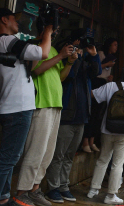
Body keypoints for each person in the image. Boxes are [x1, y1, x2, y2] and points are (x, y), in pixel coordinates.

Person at [0, 8, 52, 206]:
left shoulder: (5, 42)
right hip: (17, 108)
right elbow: (43, 53)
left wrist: (41, 37)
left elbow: (31, 53)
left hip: (16, 107)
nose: (18, 24)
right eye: (14, 20)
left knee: (9, 158)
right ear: (4, 20)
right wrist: (48, 33)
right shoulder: (5, 40)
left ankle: (4, 198)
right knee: (8, 159)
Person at [15, 21, 77, 206]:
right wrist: (60, 56)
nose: (56, 33)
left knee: (47, 154)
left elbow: (60, 77)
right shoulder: (35, 47)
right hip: (41, 104)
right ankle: (21, 192)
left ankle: (34, 189)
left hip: (55, 104)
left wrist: (69, 63)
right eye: (53, 30)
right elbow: (36, 70)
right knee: (35, 151)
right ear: (44, 30)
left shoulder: (51, 51)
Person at [45, 36, 102, 203]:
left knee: (69, 155)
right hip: (67, 115)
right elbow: (69, 76)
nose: (78, 49)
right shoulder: (66, 63)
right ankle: (53, 188)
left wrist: (93, 55)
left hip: (81, 116)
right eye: (74, 46)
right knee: (58, 155)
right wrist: (74, 58)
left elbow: (96, 72)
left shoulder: (83, 62)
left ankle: (64, 186)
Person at [87, 67, 124, 205]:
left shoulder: (111, 86)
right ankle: (111, 195)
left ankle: (93, 190)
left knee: (102, 160)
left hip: (107, 130)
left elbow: (92, 95)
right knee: (117, 164)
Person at [83, 38, 118, 153]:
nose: (116, 47)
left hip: (104, 83)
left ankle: (92, 141)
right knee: (91, 112)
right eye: (114, 45)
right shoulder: (101, 54)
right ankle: (85, 142)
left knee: (98, 114)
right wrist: (107, 64)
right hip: (96, 82)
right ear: (109, 45)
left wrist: (109, 78)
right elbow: (96, 68)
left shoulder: (112, 57)